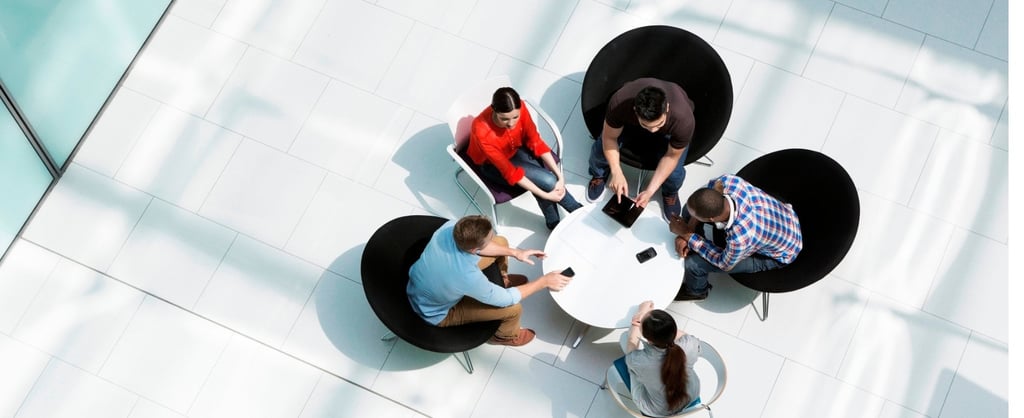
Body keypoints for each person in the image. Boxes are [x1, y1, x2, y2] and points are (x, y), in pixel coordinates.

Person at [407, 215, 573, 346]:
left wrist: (515, 253)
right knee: (513, 309)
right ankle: (505, 337)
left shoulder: (450, 227)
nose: (492, 238)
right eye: (488, 239)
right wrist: (544, 281)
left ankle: (503, 281)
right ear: (474, 249)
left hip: (427, 282)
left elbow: (483, 248)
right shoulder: (467, 276)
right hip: (436, 313)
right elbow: (506, 299)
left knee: (501, 242)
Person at [669, 174, 802, 301]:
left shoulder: (740, 238)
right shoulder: (728, 181)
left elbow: (724, 264)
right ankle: (696, 245)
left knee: (693, 264)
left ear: (712, 219)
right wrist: (689, 232)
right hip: (783, 218)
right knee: (688, 210)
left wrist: (688, 235)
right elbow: (705, 197)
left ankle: (697, 292)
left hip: (780, 254)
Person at [468, 87, 583, 230]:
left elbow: (536, 142)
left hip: (514, 149)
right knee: (548, 181)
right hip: (491, 165)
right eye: (504, 119)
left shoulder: (521, 107)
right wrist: (546, 195)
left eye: (515, 117)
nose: (511, 124)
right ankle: (577, 212)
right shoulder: (481, 131)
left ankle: (554, 223)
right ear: (494, 110)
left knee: (548, 180)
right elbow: (511, 173)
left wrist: (560, 175)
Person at [587, 77, 696, 222]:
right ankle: (599, 175)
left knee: (674, 173)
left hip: (669, 134)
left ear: (667, 108)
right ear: (635, 111)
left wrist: (650, 191)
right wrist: (616, 171)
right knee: (600, 149)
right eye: (647, 125)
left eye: (659, 124)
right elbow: (609, 138)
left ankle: (670, 192)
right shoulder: (619, 103)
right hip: (630, 125)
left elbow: (671, 157)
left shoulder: (683, 120)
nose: (653, 131)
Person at [612, 301, 702, 416]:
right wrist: (652, 318)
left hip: (658, 410)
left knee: (624, 339)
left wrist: (639, 317)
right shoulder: (689, 344)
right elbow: (683, 336)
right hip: (691, 394)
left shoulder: (641, 361)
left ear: (649, 340)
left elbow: (631, 345)